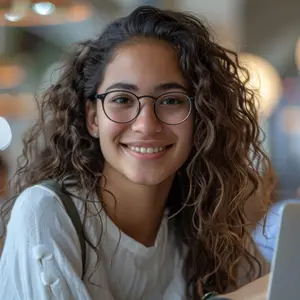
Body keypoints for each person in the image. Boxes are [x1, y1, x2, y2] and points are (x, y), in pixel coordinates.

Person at [0, 5, 275, 300]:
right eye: (122, 99)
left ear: (202, 118)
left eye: (171, 100)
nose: (146, 124)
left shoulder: (204, 221)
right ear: (93, 118)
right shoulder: (46, 212)